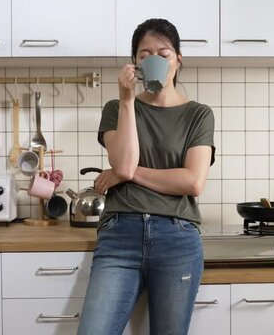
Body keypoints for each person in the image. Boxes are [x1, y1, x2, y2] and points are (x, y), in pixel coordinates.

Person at [77, 18, 216, 335]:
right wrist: (127, 99)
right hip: (119, 236)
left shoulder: (198, 114)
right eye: (144, 54)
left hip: (177, 236)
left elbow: (193, 182)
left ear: (178, 60)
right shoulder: (116, 108)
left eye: (163, 53)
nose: (154, 59)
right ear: (136, 63)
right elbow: (124, 164)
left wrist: (124, 175)